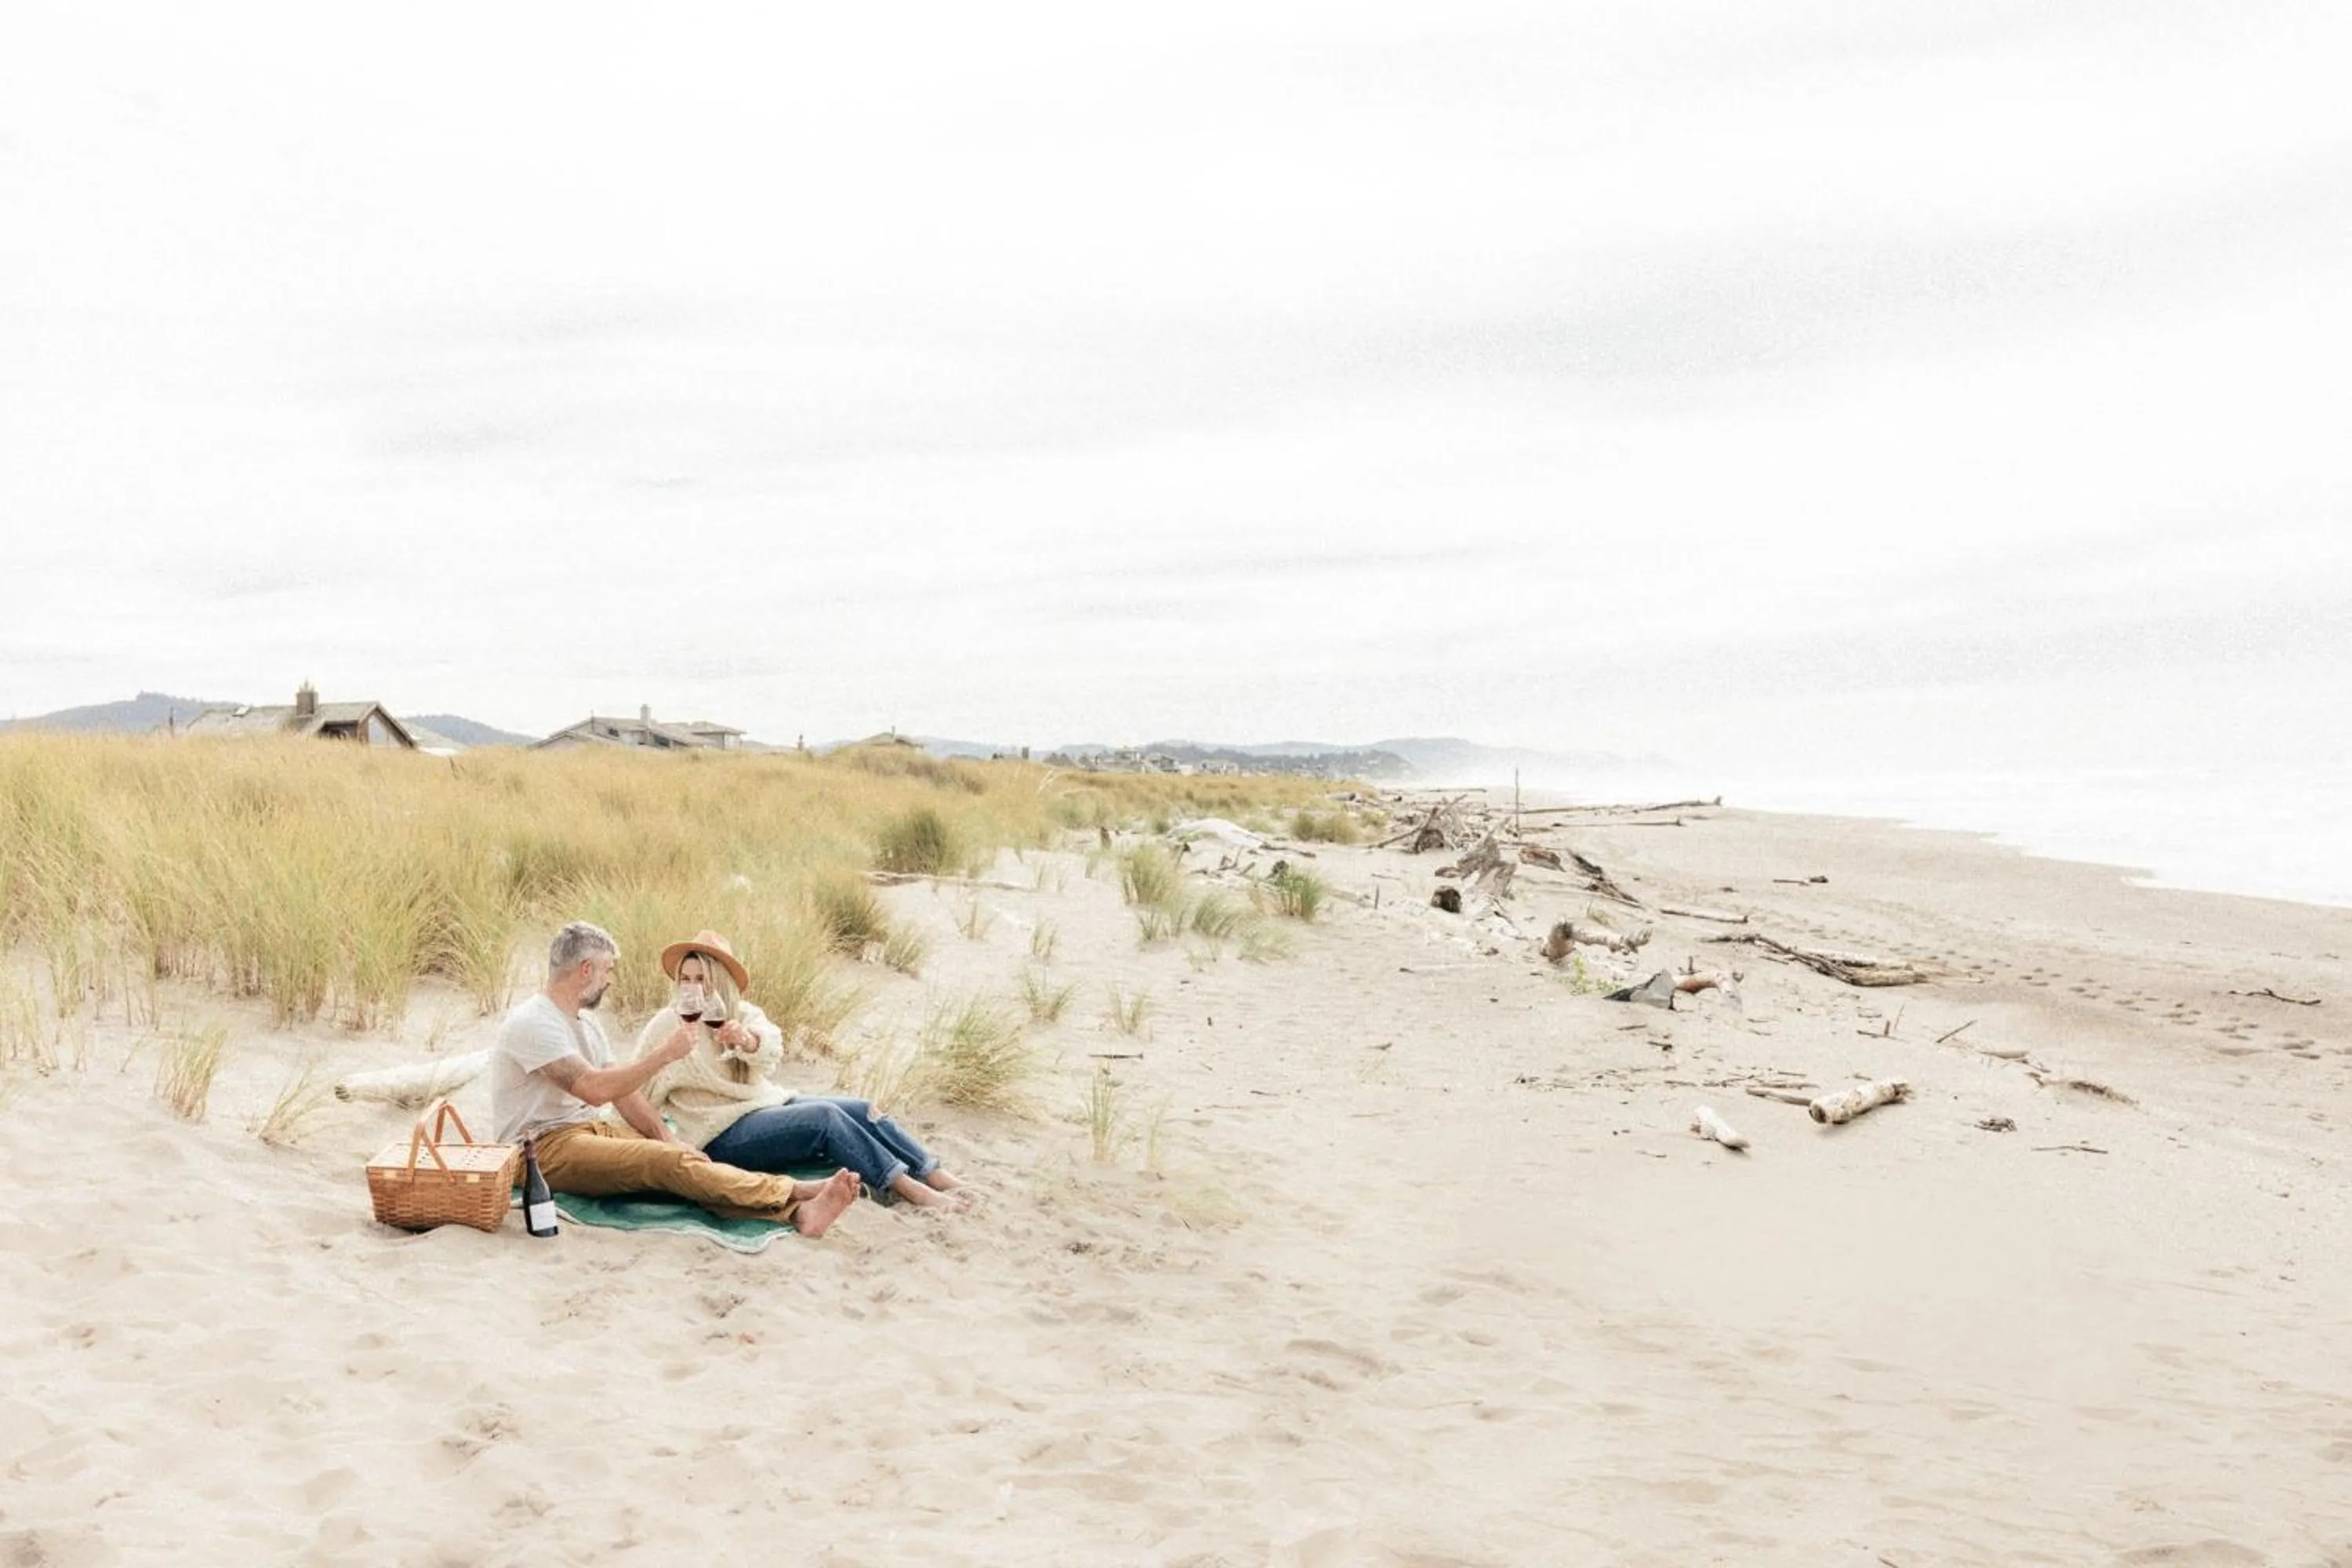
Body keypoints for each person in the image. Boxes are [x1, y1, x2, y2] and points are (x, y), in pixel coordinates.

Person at [492, 921, 862, 1236]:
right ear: (585, 969)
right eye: (607, 970)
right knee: (666, 1165)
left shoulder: (584, 1022)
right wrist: (665, 1055)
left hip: (588, 1130)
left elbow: (623, 1094)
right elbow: (593, 1089)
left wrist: (667, 1137)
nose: (610, 980)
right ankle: (797, 1191)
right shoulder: (533, 1022)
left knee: (681, 1163)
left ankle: (797, 1214)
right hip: (539, 1149)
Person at [633, 930, 969, 1211]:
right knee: (824, 1118)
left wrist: (747, 1041)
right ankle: (908, 1187)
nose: (691, 988)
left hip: (761, 1105)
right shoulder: (667, 1024)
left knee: (861, 1108)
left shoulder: (741, 1013)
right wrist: (669, 1141)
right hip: (718, 1133)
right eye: (685, 980)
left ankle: (931, 1171)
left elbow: (771, 1048)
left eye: (701, 979)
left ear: (719, 981)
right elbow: (632, 1087)